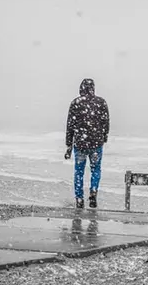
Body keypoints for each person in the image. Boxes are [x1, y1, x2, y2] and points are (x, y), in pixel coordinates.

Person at [65, 78, 110, 209]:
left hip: (80, 143)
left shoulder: (75, 103)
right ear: (93, 88)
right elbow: (105, 122)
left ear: (81, 88)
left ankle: (79, 198)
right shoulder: (101, 102)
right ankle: (93, 191)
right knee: (96, 169)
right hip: (96, 143)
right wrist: (104, 137)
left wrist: (69, 145)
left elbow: (70, 126)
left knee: (79, 171)